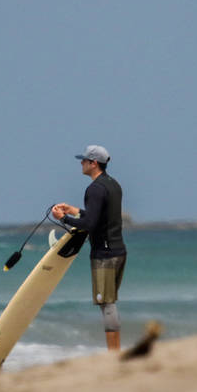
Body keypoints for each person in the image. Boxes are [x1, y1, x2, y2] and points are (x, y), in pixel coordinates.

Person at [52, 145, 127, 351]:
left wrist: (64, 218)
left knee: (107, 304)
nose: (81, 163)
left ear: (93, 163)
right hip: (119, 251)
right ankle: (116, 352)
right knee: (110, 301)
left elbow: (90, 225)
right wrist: (75, 210)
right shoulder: (113, 184)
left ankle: (114, 354)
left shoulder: (94, 189)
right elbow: (99, 217)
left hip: (104, 255)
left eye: (84, 160)